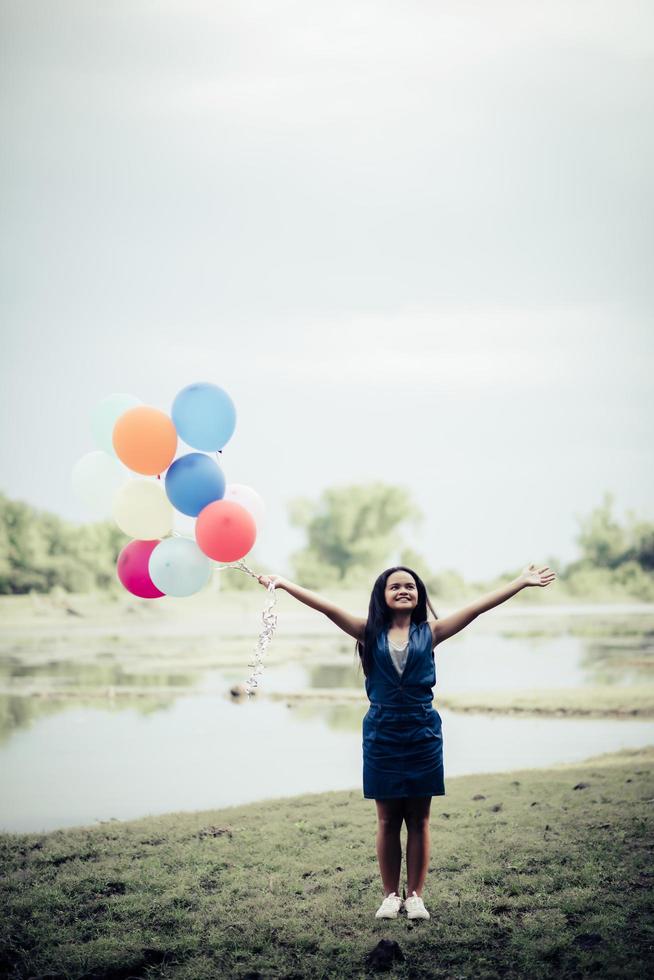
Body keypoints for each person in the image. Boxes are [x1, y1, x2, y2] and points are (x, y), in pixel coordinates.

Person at [257, 561, 556, 920]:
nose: (403, 590)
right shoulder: (367, 632)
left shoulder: (430, 632)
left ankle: (415, 896)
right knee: (386, 820)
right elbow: (327, 607)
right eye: (395, 586)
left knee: (419, 819)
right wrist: (285, 583)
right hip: (381, 733)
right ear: (382, 596)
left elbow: (477, 607)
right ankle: (389, 896)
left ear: (418, 596)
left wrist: (520, 582)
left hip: (422, 732)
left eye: (410, 586)